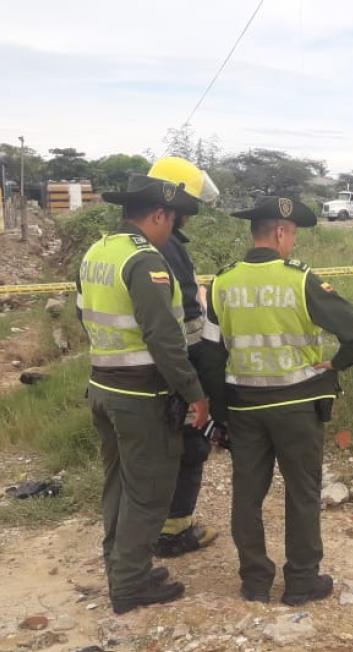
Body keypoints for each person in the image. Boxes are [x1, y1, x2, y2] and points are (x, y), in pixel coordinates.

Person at [201, 195, 353, 605]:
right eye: (292, 234)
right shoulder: (301, 279)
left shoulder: (222, 282)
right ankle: (300, 582)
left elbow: (210, 354)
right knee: (302, 493)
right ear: (280, 232)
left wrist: (220, 413)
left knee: (247, 494)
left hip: (244, 408)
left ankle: (255, 581)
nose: (292, 243)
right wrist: (336, 364)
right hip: (297, 406)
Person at [77, 172, 209, 614]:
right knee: (148, 492)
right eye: (172, 220)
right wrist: (194, 392)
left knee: (118, 485)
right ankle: (130, 584)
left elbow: (84, 315)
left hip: (102, 387)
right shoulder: (146, 261)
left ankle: (122, 568)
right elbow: (163, 336)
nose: (173, 229)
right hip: (140, 397)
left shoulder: (98, 251)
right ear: (158, 214)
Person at [143, 157, 222, 558]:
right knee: (191, 445)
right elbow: (184, 316)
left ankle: (151, 525)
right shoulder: (166, 245)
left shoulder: (135, 242)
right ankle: (174, 532)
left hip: (144, 371)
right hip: (177, 367)